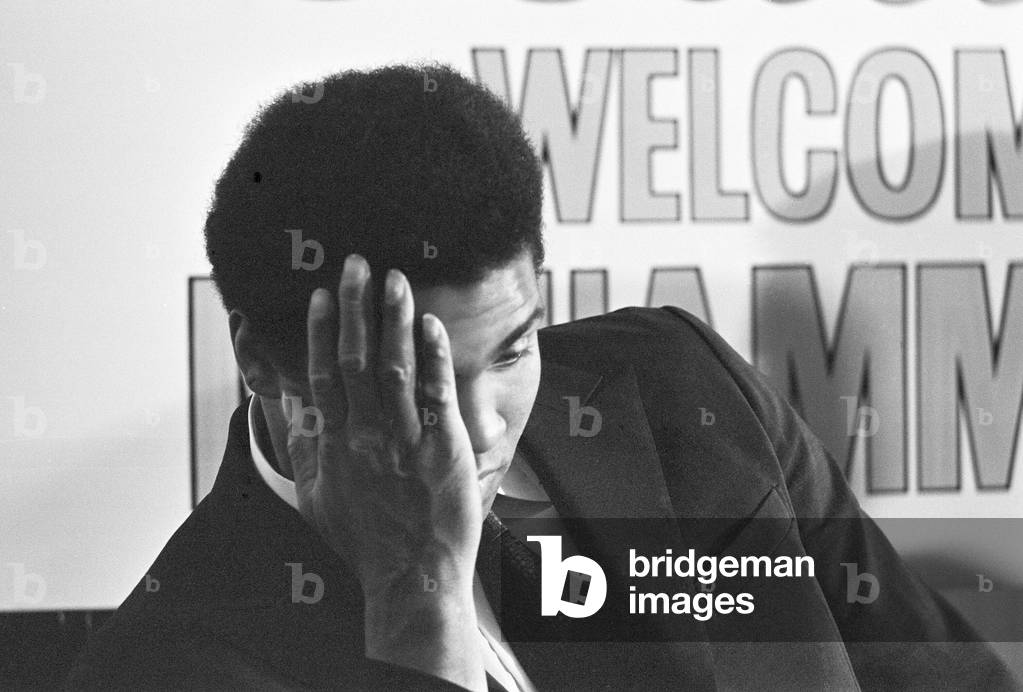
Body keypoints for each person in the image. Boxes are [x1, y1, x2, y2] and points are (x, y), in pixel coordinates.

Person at [67, 63, 1018, 691]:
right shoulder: (165, 664)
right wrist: (418, 595)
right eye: (414, 383)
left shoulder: (680, 387)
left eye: (514, 350)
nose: (481, 428)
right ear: (260, 363)